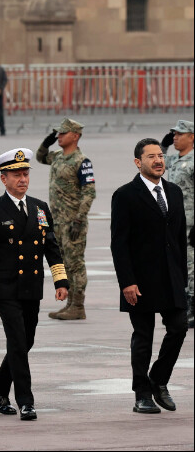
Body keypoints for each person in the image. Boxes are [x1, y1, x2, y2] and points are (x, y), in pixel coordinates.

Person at [0, 148, 69, 421]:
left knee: (26, 341)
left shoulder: (40, 208)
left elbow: (51, 246)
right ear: (4, 178)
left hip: (31, 286)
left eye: (25, 174)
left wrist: (60, 280)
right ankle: (26, 401)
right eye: (16, 175)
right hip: (4, 288)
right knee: (17, 341)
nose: (22, 179)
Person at [110, 138, 188, 414]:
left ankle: (158, 380)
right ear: (138, 162)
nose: (158, 160)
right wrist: (127, 282)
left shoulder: (174, 192)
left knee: (179, 327)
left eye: (161, 156)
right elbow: (119, 244)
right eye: (152, 156)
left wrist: (184, 279)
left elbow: (179, 239)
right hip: (140, 281)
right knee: (143, 336)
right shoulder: (125, 195)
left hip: (172, 278)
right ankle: (141, 393)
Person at [36, 118, 96, 320]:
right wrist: (47, 141)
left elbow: (89, 192)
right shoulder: (58, 157)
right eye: (58, 133)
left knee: (75, 263)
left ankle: (78, 305)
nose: (59, 136)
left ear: (76, 136)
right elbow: (40, 157)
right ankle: (70, 303)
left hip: (73, 223)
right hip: (58, 221)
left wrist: (79, 219)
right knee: (63, 263)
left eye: (63, 133)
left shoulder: (82, 161)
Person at [160, 120, 194, 329]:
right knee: (177, 262)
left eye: (180, 134)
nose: (175, 137)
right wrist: (163, 146)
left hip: (191, 223)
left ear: (192, 137)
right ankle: (181, 302)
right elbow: (156, 164)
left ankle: (192, 304)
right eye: (173, 134)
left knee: (191, 264)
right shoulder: (173, 160)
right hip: (173, 222)